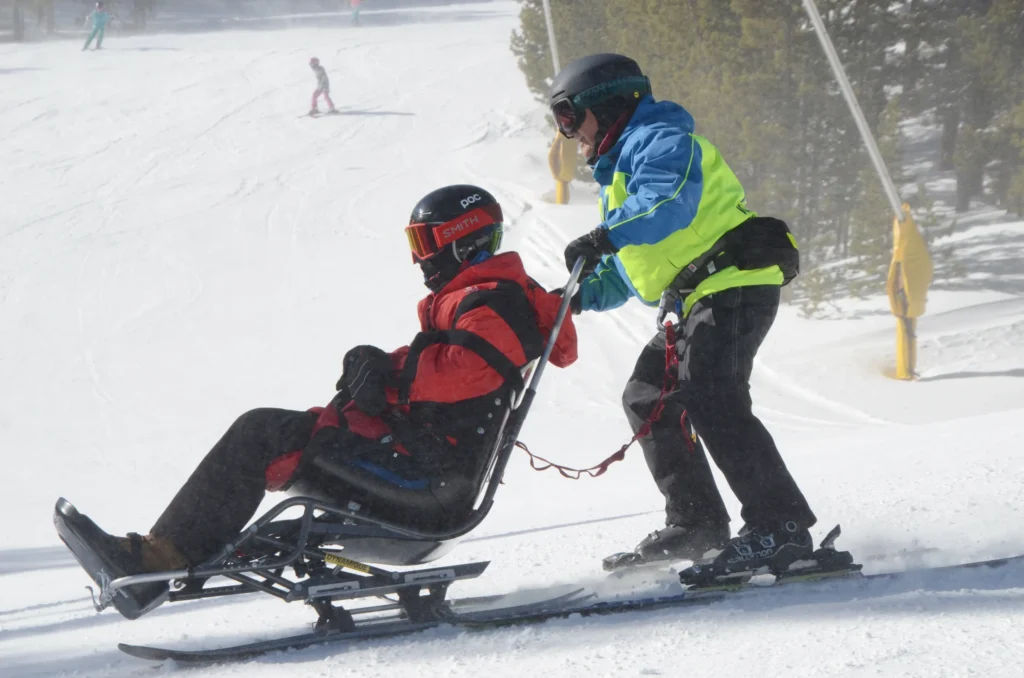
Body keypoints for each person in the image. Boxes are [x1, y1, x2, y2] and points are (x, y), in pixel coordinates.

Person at [58, 185, 578, 619]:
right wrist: (373, 366)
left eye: (424, 241)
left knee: (261, 433)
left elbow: (467, 369)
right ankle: (159, 561)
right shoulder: (481, 300)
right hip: (423, 469)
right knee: (271, 432)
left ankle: (155, 564)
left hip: (428, 487)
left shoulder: (494, 299)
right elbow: (447, 366)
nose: (418, 256)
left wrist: (390, 374)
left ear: (461, 242)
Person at [548, 53, 816, 574]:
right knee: (648, 396)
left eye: (567, 118)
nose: (567, 135)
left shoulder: (662, 139)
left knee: (711, 391)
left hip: (733, 281)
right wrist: (574, 297)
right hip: (695, 298)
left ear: (605, 106)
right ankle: (697, 524)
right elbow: (635, 270)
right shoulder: (619, 174)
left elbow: (668, 201)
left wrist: (604, 236)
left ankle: (780, 525)